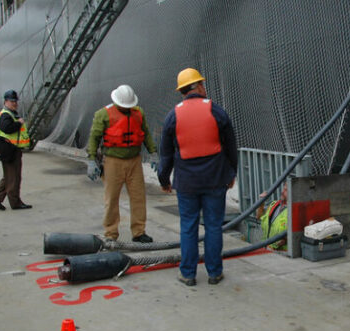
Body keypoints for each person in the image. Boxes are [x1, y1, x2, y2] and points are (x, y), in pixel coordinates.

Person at [158, 68, 238, 286]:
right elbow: (231, 146)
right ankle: (214, 273)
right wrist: (232, 173)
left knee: (188, 227)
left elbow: (165, 153)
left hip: (187, 183)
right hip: (215, 180)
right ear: (198, 87)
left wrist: (164, 179)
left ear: (182, 91)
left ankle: (188, 273)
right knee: (213, 226)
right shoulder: (216, 111)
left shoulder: (173, 116)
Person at [86, 84, 156, 243]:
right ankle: (111, 233)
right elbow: (94, 137)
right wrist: (91, 160)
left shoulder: (139, 113)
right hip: (112, 161)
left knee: (138, 197)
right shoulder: (103, 115)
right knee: (111, 199)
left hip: (134, 160)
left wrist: (153, 152)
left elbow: (145, 133)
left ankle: (139, 232)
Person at [0, 90, 33, 210]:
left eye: (15, 101)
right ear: (5, 101)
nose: (14, 103)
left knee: (9, 176)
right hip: (9, 150)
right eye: (12, 101)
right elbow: (7, 128)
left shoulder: (10, 114)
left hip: (12, 149)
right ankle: (15, 202)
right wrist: (18, 123)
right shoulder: (6, 115)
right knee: (14, 177)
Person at [256, 182, 288, 251]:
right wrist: (261, 202)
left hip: (282, 254)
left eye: (286, 190)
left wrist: (274, 246)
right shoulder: (274, 204)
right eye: (283, 189)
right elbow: (259, 217)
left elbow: (295, 235)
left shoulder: (293, 211)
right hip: (265, 249)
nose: (282, 192)